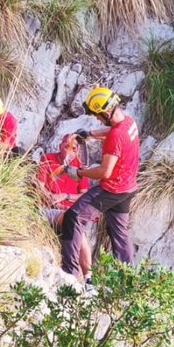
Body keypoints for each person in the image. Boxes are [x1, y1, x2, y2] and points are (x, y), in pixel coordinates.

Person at [60, 86, 139, 280]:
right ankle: (127, 279)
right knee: (119, 233)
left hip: (112, 189)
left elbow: (105, 172)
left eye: (97, 115)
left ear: (106, 112)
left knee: (73, 217)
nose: (97, 119)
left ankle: (70, 274)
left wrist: (79, 173)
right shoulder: (128, 122)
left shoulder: (116, 137)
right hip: (128, 187)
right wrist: (91, 134)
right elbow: (113, 131)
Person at [35, 132, 96, 282]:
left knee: (75, 224)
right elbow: (38, 186)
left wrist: (65, 196)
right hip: (49, 210)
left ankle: (87, 277)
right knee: (74, 223)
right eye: (66, 146)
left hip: (69, 211)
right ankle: (86, 277)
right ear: (60, 145)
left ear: (78, 151)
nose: (70, 150)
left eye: (74, 148)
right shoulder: (47, 159)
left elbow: (84, 194)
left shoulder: (80, 169)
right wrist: (50, 198)